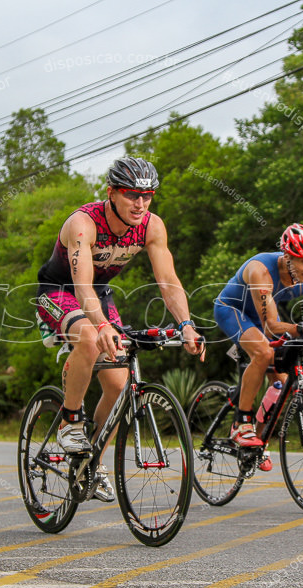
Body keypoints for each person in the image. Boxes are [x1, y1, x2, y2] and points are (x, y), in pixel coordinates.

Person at [35, 157, 205, 502]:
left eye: (148, 196)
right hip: (58, 292)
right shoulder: (83, 224)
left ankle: (91, 465)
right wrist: (100, 325)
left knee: (118, 383)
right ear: (111, 192)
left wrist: (186, 325)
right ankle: (70, 421)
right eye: (131, 195)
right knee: (89, 336)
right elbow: (81, 286)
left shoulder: (151, 226)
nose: (140, 204)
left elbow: (168, 281)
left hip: (99, 294)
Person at [213, 224, 303, 470]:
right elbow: (271, 325)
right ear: (287, 255)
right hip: (233, 311)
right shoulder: (261, 270)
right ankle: (241, 424)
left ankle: (258, 443)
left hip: (263, 316)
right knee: (263, 352)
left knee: (282, 384)